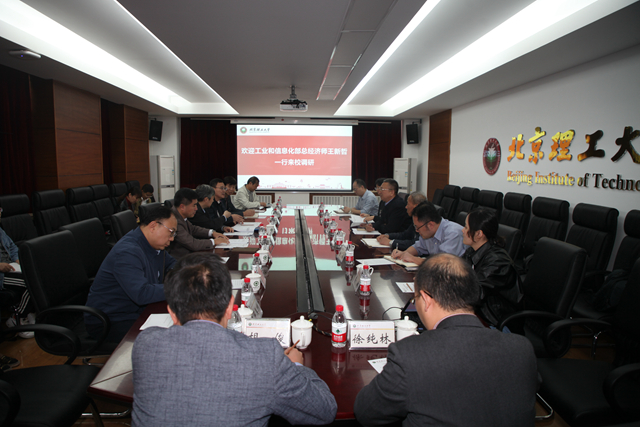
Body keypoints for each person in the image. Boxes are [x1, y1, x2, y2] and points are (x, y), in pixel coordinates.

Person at [132, 253, 337, 427]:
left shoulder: (146, 345)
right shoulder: (265, 359)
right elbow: (324, 410)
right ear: (230, 307)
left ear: (172, 313)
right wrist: (296, 367)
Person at [353, 254, 538, 427]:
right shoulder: (522, 348)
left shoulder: (409, 356)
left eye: (415, 298)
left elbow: (366, 411)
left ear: (426, 300)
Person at [85, 206, 178, 343]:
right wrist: (181, 287)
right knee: (171, 338)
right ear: (153, 226)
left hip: (136, 311)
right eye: (171, 232)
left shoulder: (154, 245)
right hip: (111, 320)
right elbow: (141, 293)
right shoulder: (127, 252)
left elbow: (173, 264)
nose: (172, 238)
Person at [462, 208, 522, 327]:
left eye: (466, 227)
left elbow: (475, 294)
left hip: (494, 322)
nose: (462, 230)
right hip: (477, 313)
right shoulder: (472, 252)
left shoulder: (498, 261)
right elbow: (456, 272)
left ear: (479, 234)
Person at [391, 201, 466, 266]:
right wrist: (404, 254)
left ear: (430, 225)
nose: (417, 231)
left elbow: (442, 263)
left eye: (418, 227)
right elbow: (418, 247)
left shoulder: (453, 233)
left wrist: (413, 259)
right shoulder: (428, 233)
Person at [167, 188, 229, 259]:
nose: (196, 208)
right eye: (194, 205)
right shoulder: (173, 220)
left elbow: (193, 229)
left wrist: (212, 233)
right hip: (180, 259)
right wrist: (214, 241)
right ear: (182, 207)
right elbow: (193, 244)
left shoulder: (179, 215)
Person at [0, 216, 34, 339]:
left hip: (10, 267)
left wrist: (17, 259)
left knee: (38, 276)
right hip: (1, 274)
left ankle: (31, 312)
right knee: (31, 283)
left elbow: (12, 247)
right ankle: (17, 318)